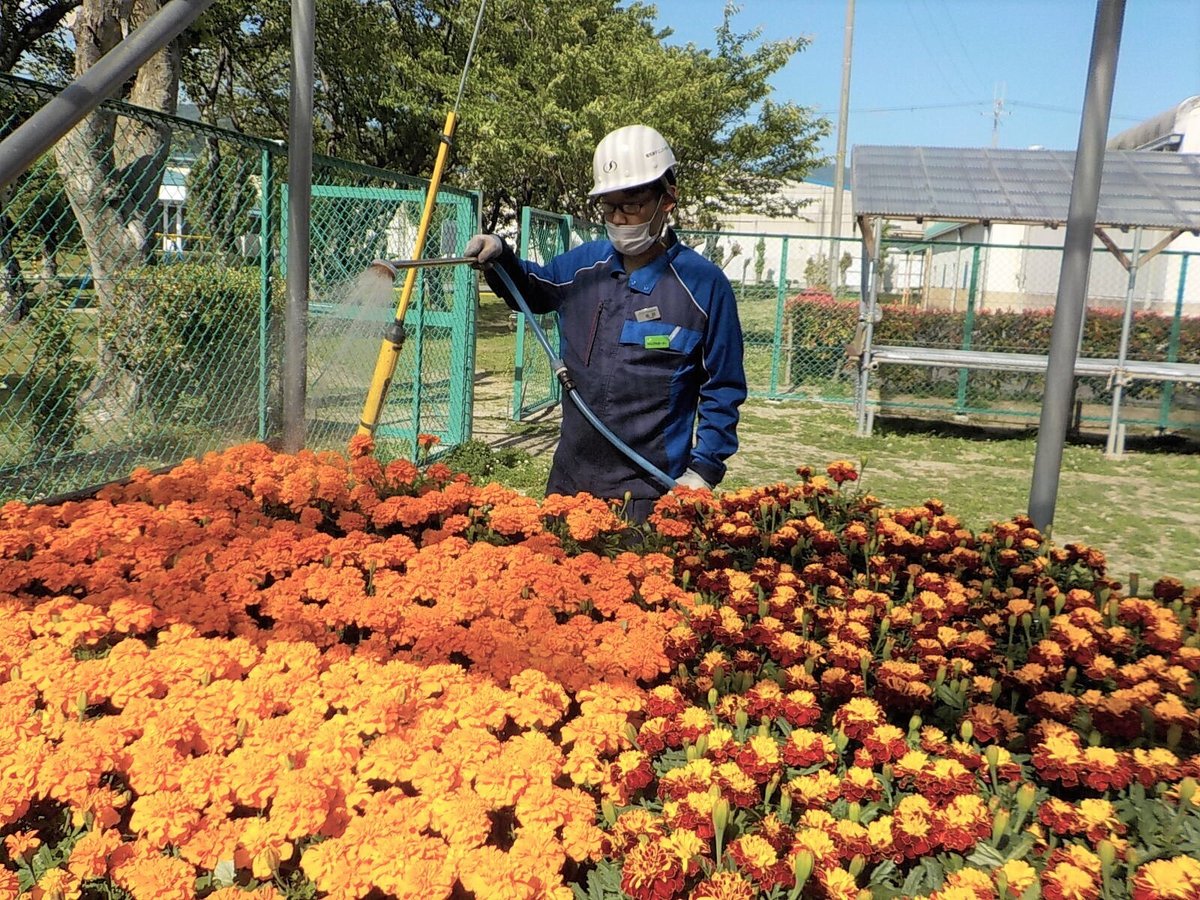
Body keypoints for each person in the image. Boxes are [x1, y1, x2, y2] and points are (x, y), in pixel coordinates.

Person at [465, 124, 746, 523]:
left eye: (631, 206)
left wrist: (704, 470)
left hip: (650, 494)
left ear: (668, 199)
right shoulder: (583, 268)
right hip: (569, 484)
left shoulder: (703, 286)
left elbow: (724, 387)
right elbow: (531, 289)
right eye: (608, 206)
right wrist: (501, 256)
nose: (618, 218)